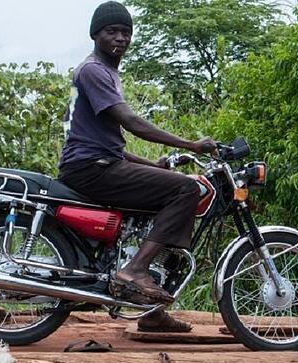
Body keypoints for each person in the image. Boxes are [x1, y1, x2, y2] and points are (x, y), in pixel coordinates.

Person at [58, 1, 216, 332]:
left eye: (126, 33)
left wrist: (155, 165)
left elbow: (111, 145)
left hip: (97, 162)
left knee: (156, 203)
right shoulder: (94, 70)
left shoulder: (106, 72)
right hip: (91, 168)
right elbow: (130, 123)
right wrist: (190, 144)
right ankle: (134, 270)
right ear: (95, 35)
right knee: (188, 188)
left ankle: (148, 311)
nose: (120, 38)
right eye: (111, 32)